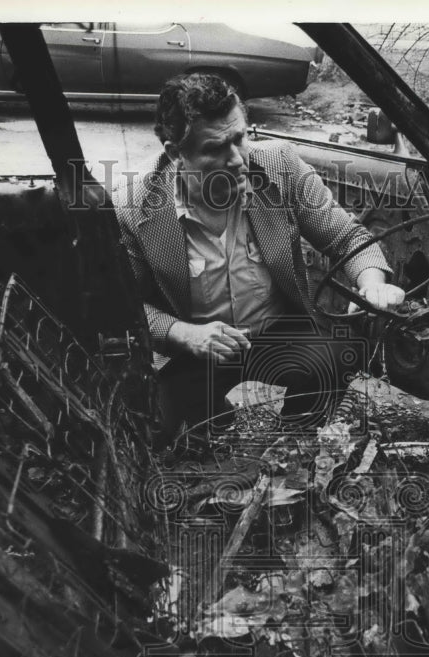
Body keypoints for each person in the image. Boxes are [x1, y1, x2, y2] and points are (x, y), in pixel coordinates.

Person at [116, 72, 403, 441]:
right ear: (176, 153)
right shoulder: (133, 206)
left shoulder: (282, 168)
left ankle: (294, 448)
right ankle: (215, 419)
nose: (236, 159)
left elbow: (347, 238)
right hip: (194, 346)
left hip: (276, 330)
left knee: (335, 361)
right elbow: (127, 310)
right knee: (167, 433)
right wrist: (184, 334)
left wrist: (372, 286)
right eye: (216, 148)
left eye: (240, 138)